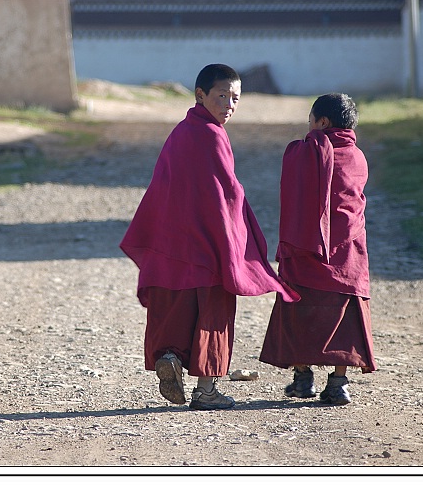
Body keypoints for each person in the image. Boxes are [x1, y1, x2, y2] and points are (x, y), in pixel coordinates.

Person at [120, 64, 300, 411]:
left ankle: (170, 355)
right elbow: (227, 195)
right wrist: (238, 243)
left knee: (175, 309)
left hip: (172, 245)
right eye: (221, 96)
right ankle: (206, 390)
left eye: (235, 98)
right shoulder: (213, 135)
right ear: (200, 95)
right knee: (213, 312)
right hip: (207, 245)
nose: (229, 104)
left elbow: (164, 188)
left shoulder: (180, 132)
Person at [259, 93, 376, 405]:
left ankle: (302, 378)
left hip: (306, 252)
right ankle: (339, 382)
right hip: (346, 253)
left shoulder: (305, 153)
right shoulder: (358, 157)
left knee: (300, 305)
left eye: (310, 121)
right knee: (345, 312)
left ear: (322, 122)